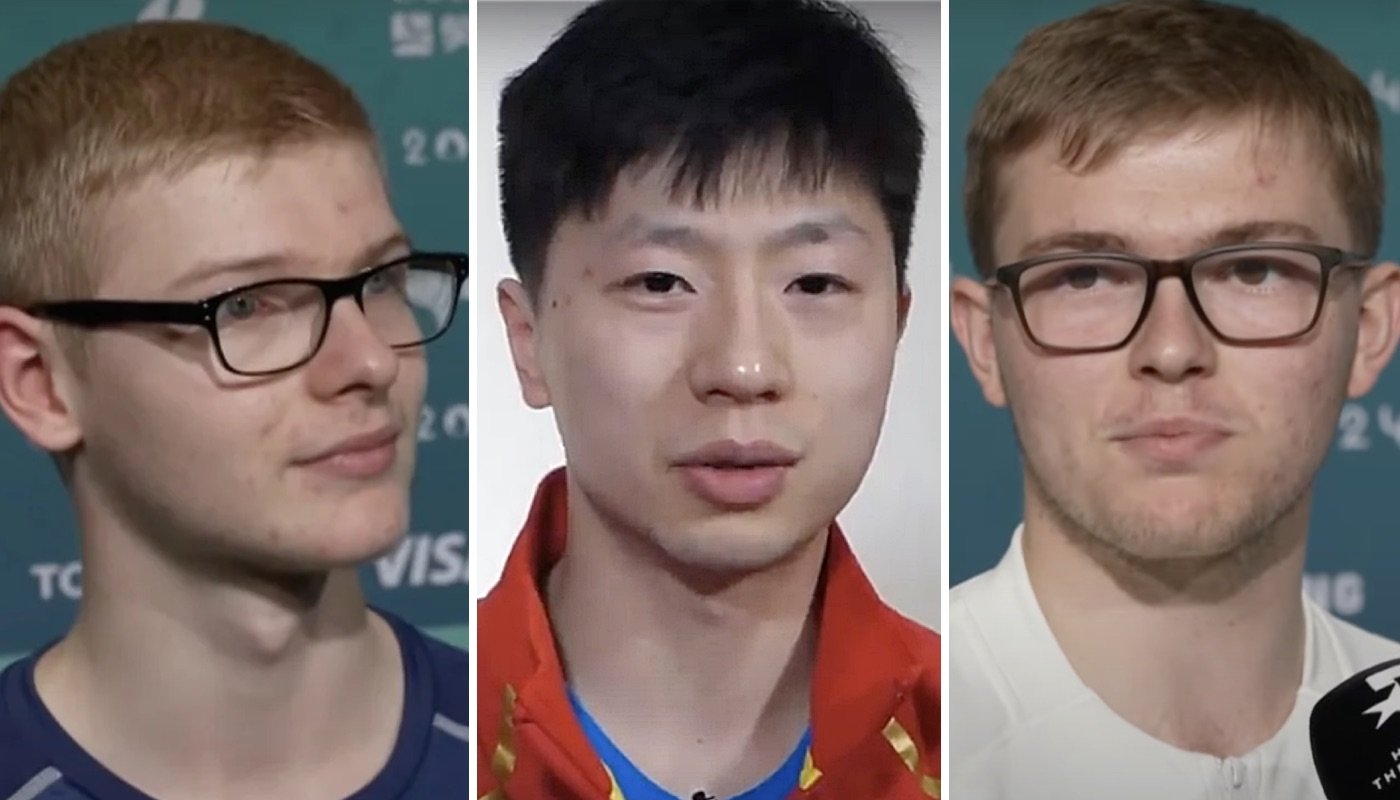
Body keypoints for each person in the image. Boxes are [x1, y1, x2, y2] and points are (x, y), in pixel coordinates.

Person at [476, 1, 939, 798]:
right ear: (528, 343)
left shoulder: (974, 735)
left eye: (816, 282)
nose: (746, 367)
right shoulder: (449, 724)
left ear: (896, 327)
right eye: (661, 282)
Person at [0, 20, 468, 800]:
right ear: (39, 383)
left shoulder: (520, 750)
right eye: (248, 305)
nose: (370, 362)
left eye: (381, 281)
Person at [948, 1, 1400, 797]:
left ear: (1368, 328)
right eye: (1085, 275)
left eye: (1253, 269)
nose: (1170, 351)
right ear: (986, 341)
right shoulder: (894, 743)